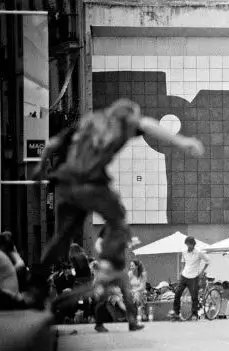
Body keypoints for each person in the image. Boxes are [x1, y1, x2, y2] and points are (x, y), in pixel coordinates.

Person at [33, 99, 204, 331]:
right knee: (119, 218)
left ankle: (34, 286)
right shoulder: (123, 124)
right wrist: (183, 141)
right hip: (90, 183)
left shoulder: (89, 121)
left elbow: (53, 143)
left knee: (60, 238)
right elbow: (149, 124)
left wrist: (41, 165)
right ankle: (109, 268)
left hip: (65, 184)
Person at [170, 236, 210, 321]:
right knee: (177, 294)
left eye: (190, 245)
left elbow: (208, 261)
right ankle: (176, 313)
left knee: (194, 297)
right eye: (187, 245)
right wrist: (181, 270)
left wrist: (202, 272)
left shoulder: (199, 252)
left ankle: (194, 314)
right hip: (184, 276)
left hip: (194, 277)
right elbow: (183, 262)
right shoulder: (184, 251)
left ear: (193, 244)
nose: (188, 247)